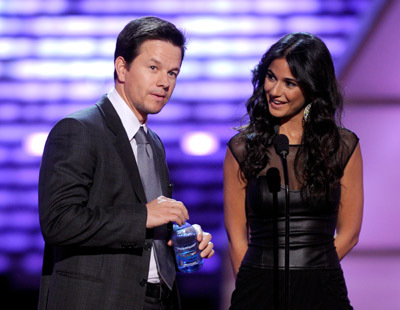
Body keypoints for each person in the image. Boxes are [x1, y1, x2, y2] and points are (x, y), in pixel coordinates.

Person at [38, 16, 214, 310]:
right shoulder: (79, 130)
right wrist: (144, 216)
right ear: (122, 67)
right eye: (154, 68)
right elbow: (59, 222)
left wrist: (181, 239)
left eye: (173, 73)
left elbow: (143, 230)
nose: (164, 82)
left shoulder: (154, 143)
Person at [223, 32, 363, 309]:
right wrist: (256, 283)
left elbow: (350, 233)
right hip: (258, 287)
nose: (275, 91)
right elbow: (237, 237)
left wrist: (310, 270)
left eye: (290, 83)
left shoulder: (343, 146)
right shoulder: (241, 148)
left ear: (311, 88)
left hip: (322, 288)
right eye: (271, 77)